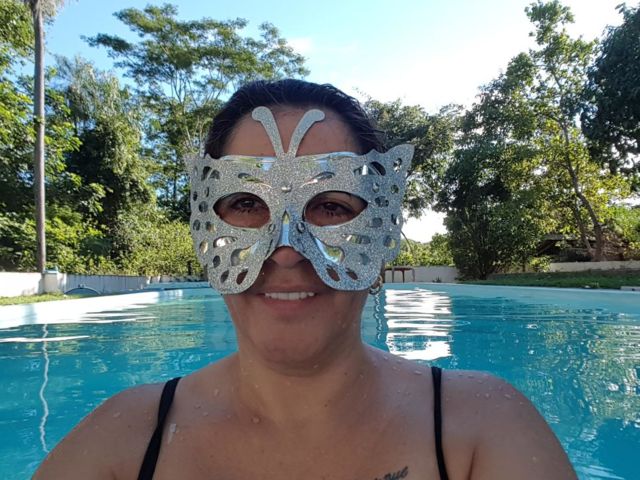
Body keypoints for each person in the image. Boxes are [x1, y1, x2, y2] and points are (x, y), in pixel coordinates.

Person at [34, 79, 577, 480]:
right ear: (205, 226)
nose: (288, 250)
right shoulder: (122, 443)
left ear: (383, 228)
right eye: (247, 203)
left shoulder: (483, 428)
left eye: (331, 206)